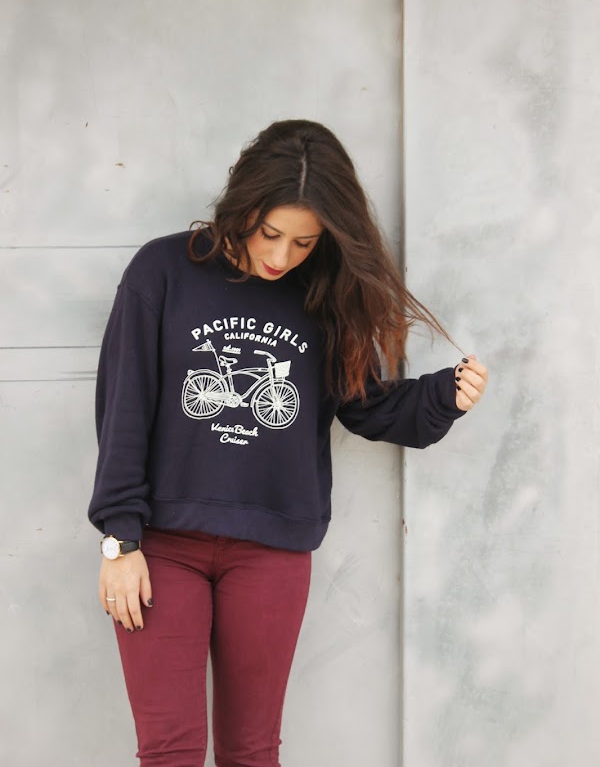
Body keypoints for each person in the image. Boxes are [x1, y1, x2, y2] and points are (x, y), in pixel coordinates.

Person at [88, 119, 488, 767]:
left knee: (252, 752)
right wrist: (119, 539)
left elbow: (367, 406)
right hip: (161, 546)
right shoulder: (161, 272)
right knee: (170, 753)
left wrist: (444, 395)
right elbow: (124, 408)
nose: (280, 257)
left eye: (304, 242)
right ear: (242, 206)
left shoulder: (324, 295)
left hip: (272, 551)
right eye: (270, 233)